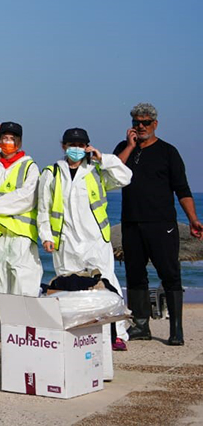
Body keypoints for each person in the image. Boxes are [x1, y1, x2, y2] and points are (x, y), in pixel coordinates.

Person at [114, 103, 202, 346]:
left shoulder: (168, 152)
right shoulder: (124, 149)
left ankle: (176, 329)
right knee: (135, 274)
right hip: (131, 222)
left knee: (170, 273)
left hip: (161, 223)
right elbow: (111, 174)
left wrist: (193, 219)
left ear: (155, 124)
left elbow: (182, 189)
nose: (140, 127)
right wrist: (130, 147)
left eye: (145, 123)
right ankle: (141, 325)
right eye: (136, 123)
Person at [38, 127, 132, 349]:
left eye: (81, 146)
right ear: (64, 146)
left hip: (95, 240)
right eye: (72, 145)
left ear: (87, 147)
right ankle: (76, 331)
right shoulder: (51, 173)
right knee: (68, 287)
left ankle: (116, 333)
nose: (76, 149)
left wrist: (105, 158)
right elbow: (42, 208)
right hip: (65, 240)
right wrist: (46, 236)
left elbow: (126, 177)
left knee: (106, 283)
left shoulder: (97, 171)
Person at [0, 122, 41, 297]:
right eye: (4, 138)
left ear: (19, 142)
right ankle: (3, 324)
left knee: (23, 282)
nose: (8, 142)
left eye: (12, 139)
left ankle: (23, 323)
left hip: (20, 235)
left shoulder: (29, 167)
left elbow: (26, 198)